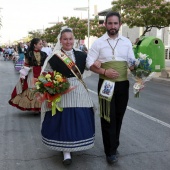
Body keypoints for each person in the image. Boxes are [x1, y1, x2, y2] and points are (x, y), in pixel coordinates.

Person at [41, 28, 95, 165]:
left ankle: (76, 144)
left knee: (80, 118)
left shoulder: (82, 55)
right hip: (62, 91)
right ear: (60, 40)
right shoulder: (54, 57)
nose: (68, 41)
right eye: (65, 39)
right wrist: (53, 87)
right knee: (63, 121)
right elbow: (46, 75)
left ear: (74, 40)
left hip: (79, 91)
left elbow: (91, 66)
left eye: (70, 39)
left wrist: (101, 64)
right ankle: (66, 152)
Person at [86, 11, 135, 164]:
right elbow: (88, 63)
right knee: (108, 117)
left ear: (120, 25)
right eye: (110, 23)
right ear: (105, 24)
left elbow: (132, 62)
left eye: (115, 23)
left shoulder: (126, 42)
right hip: (106, 85)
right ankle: (110, 151)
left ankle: (114, 144)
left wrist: (138, 69)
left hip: (122, 85)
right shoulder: (98, 42)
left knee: (119, 116)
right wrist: (104, 71)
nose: (113, 26)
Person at [9, 38, 47, 112]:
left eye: (42, 44)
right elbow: (26, 64)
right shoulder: (28, 54)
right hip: (31, 73)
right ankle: (34, 107)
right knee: (33, 88)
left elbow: (46, 65)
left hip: (41, 73)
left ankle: (40, 107)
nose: (41, 45)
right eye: (40, 44)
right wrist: (23, 75)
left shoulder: (44, 54)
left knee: (42, 88)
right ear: (35, 45)